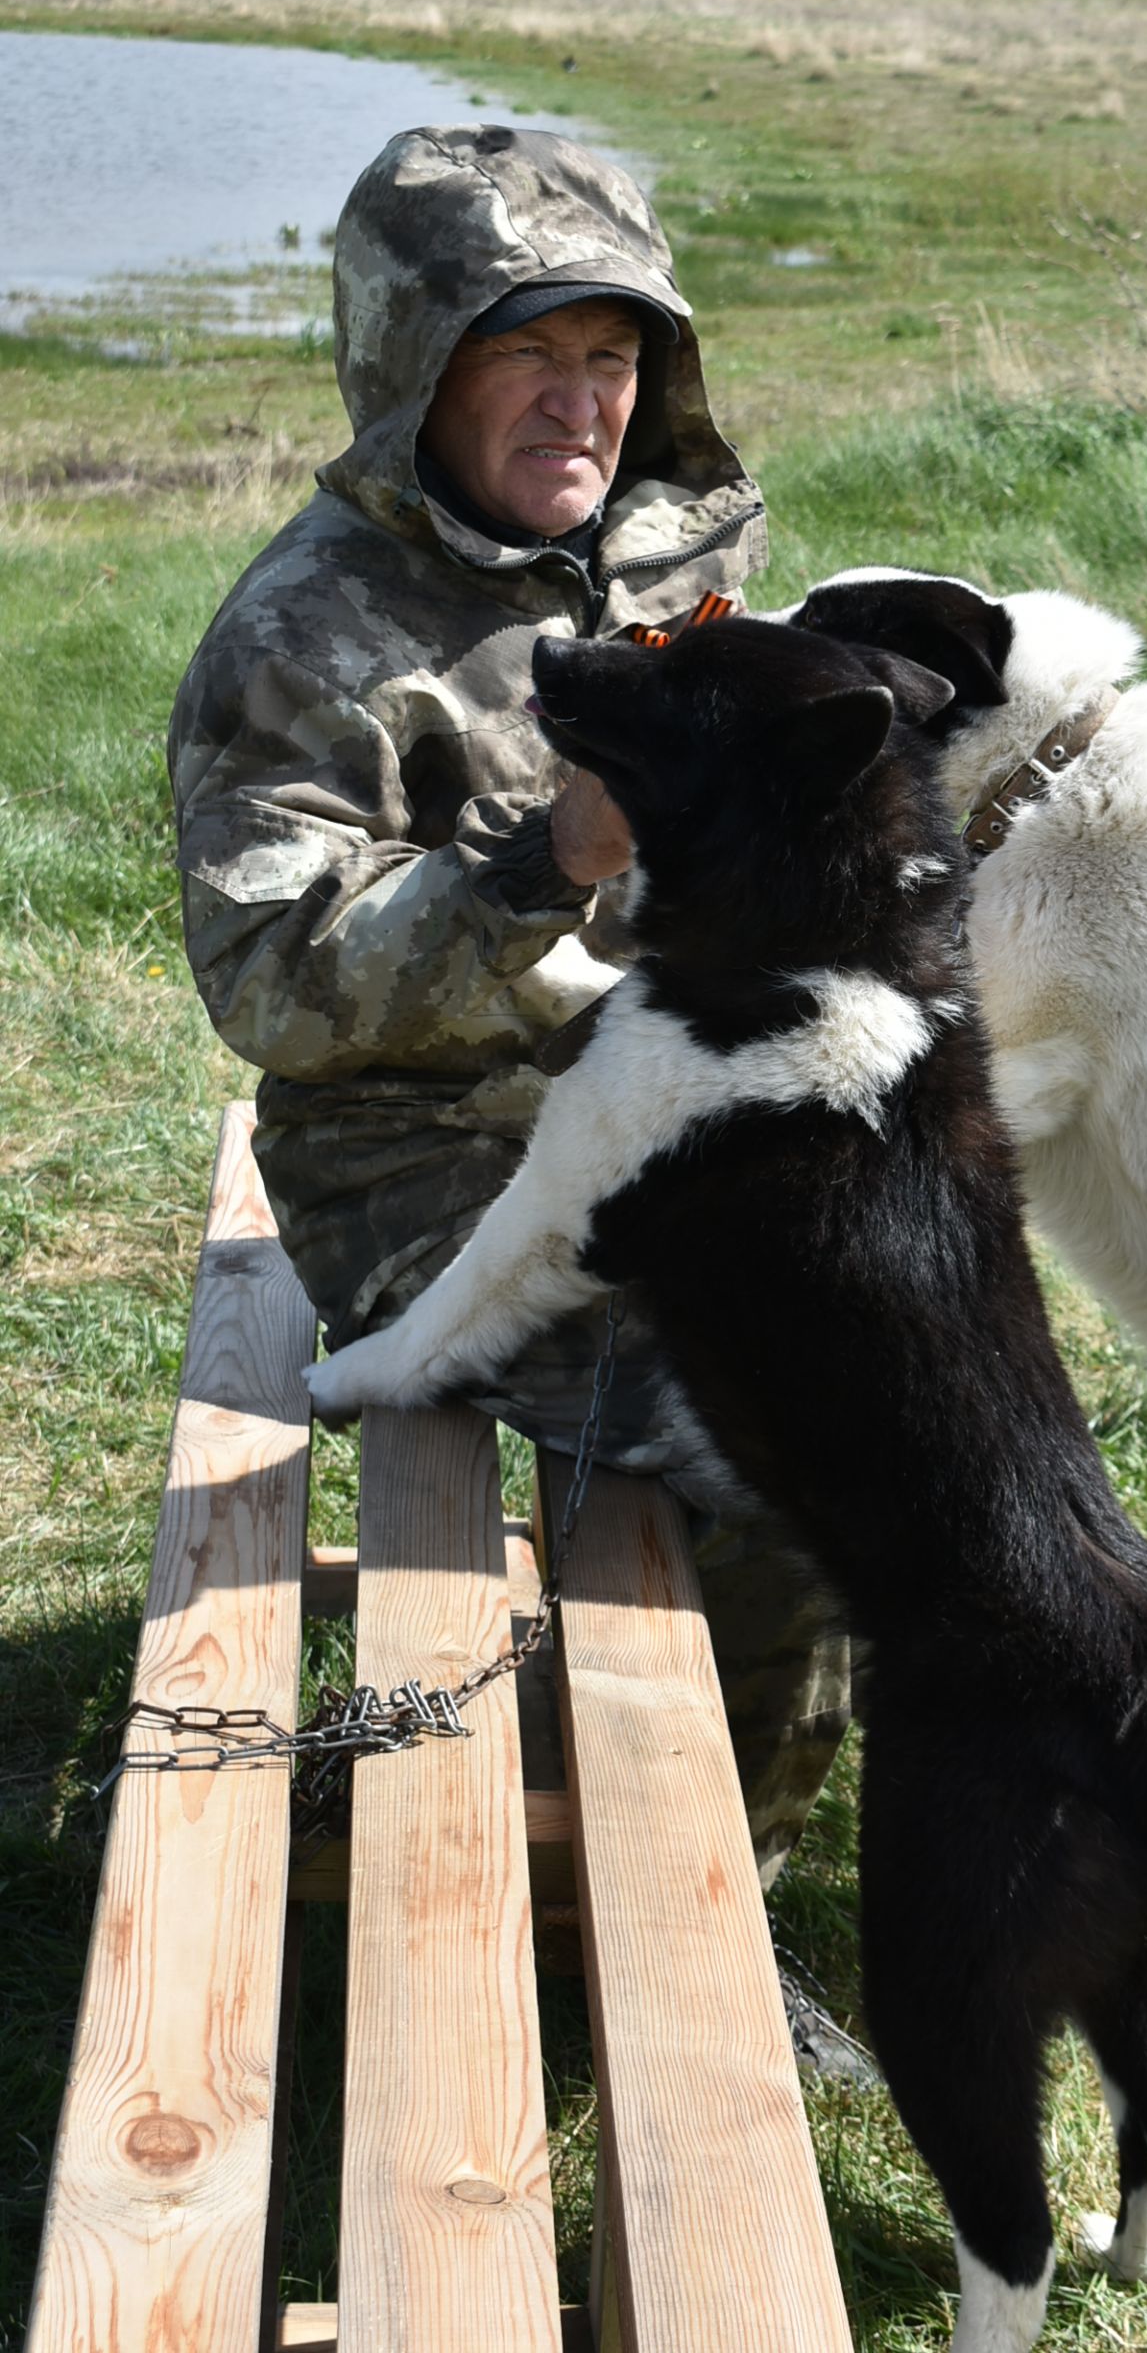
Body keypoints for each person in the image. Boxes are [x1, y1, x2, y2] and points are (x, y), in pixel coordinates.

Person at [168, 125, 853, 1926]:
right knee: (795, 1478)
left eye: (611, 360)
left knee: (939, 1347)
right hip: (428, 1176)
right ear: (413, 378)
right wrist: (533, 865)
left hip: (670, 1115)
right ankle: (686, 1916)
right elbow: (274, 989)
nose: (581, 408)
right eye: (522, 358)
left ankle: (740, 1797)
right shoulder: (307, 639)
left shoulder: (669, 558)